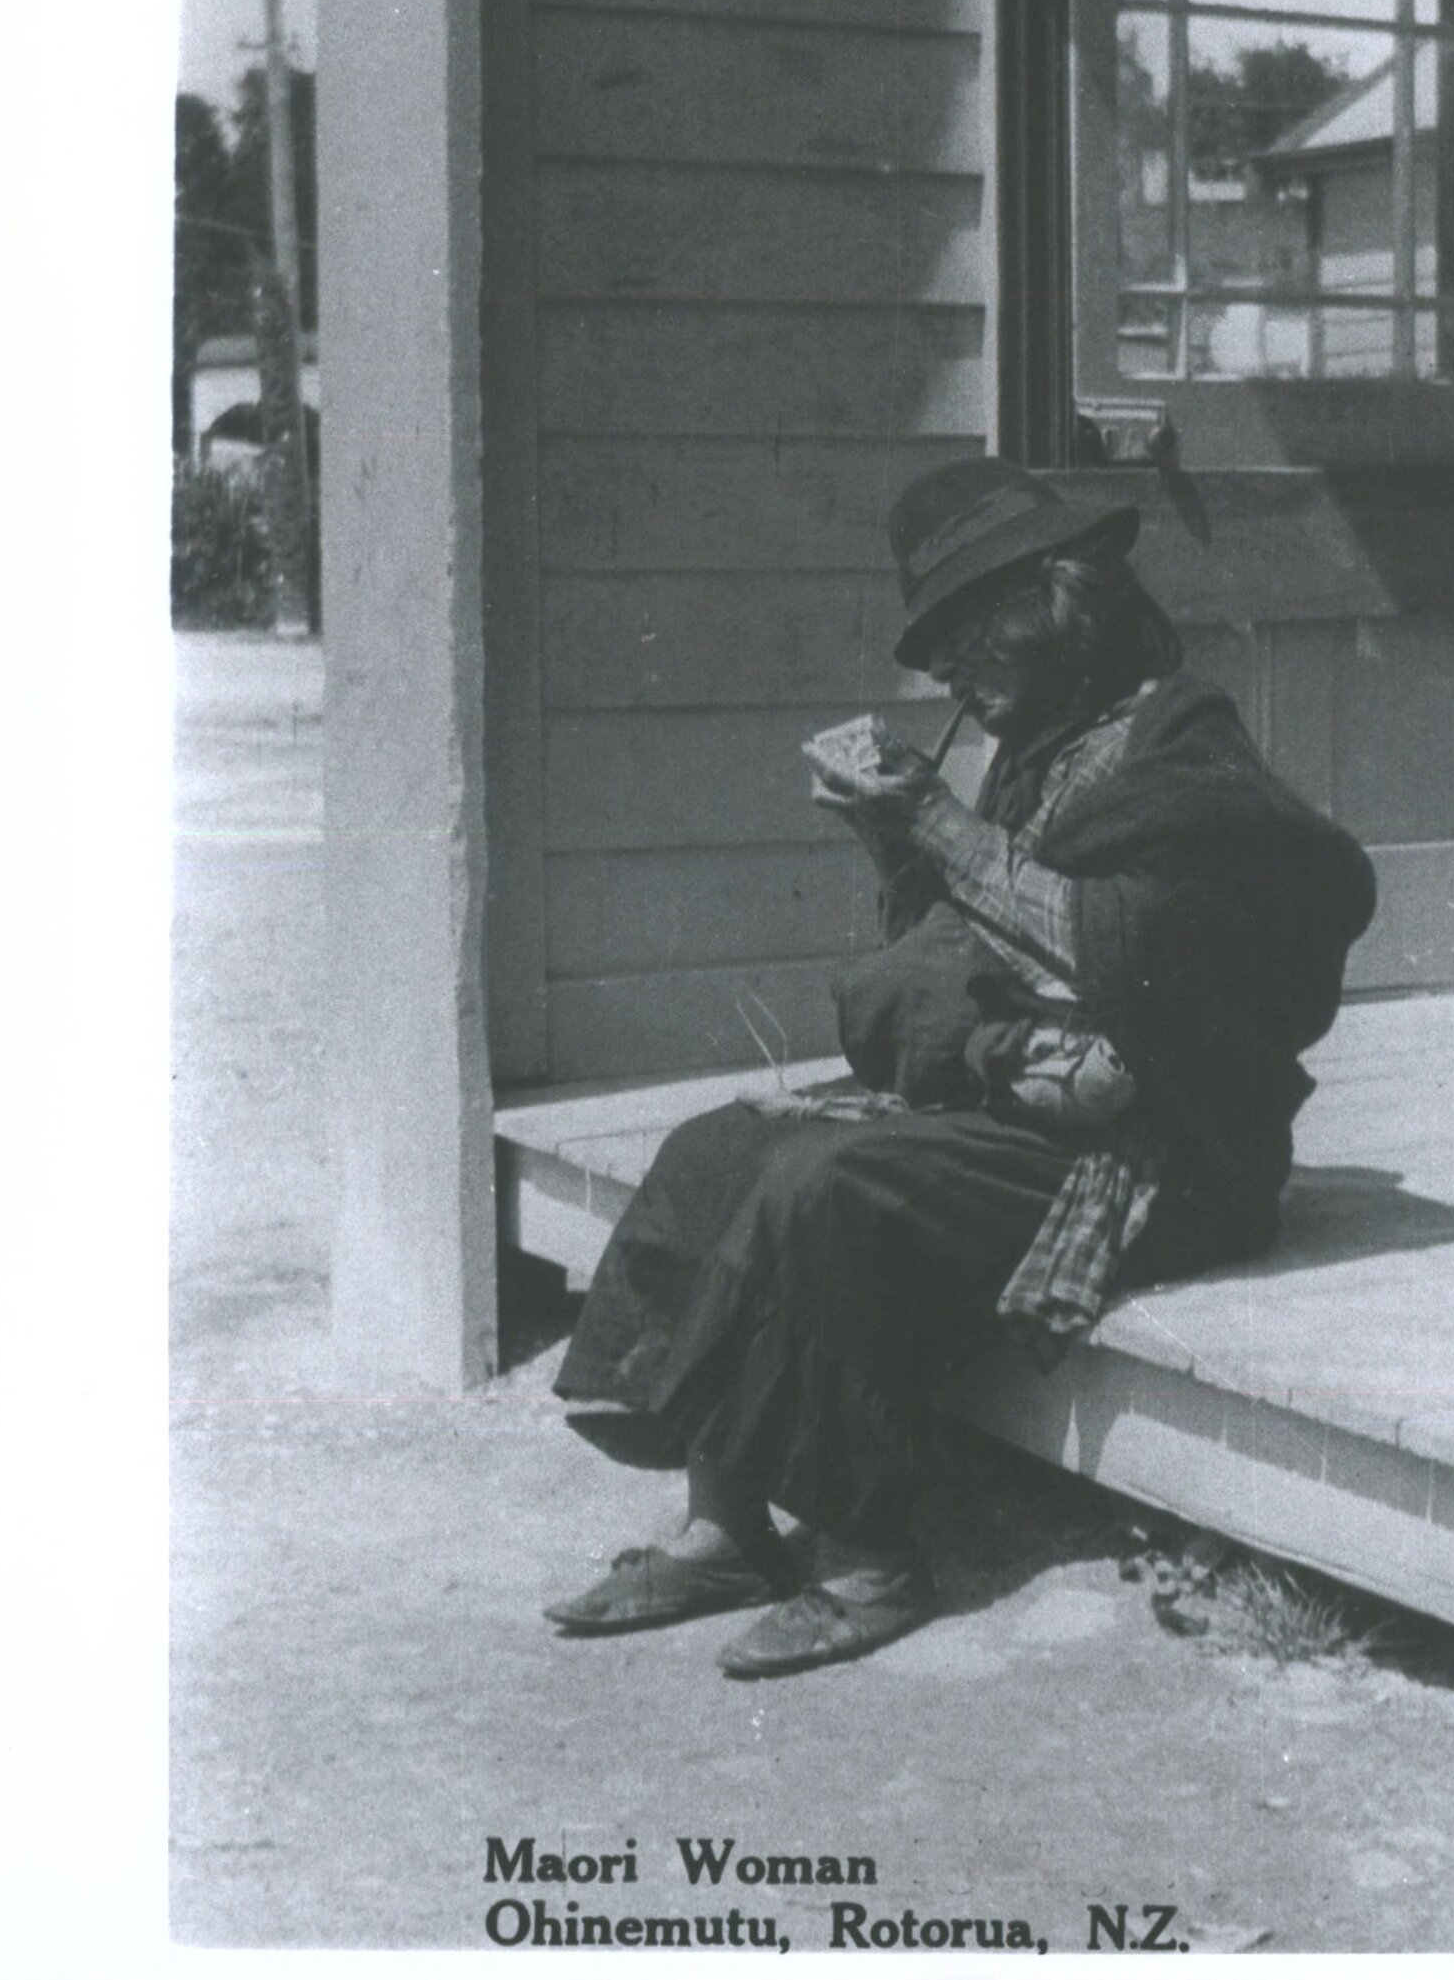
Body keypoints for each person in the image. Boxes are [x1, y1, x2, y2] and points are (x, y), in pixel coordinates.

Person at [543, 458, 1376, 1678]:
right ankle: (722, 1529)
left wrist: (937, 821)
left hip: (1156, 1144)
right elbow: (951, 954)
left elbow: (1127, 956)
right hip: (1029, 1096)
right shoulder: (1042, 751)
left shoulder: (1179, 747)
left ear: (1054, 603)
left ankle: (866, 1558)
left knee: (832, 1189)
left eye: (961, 630)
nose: (941, 668)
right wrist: (895, 840)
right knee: (719, 1147)